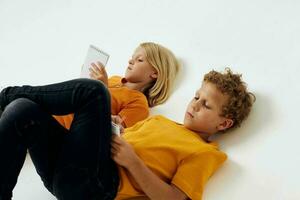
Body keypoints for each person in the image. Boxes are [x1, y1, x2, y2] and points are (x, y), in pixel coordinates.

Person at [0, 68, 255, 200]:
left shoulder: (204, 152)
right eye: (196, 97)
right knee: (21, 111)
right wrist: (114, 128)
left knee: (95, 92)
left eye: (206, 105)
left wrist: (133, 162)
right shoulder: (159, 123)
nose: (195, 105)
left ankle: (4, 94)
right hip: (67, 172)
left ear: (224, 124)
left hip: (98, 187)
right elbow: (121, 140)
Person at [53, 42, 180, 129]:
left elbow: (112, 129)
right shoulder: (114, 79)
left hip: (60, 126)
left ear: (155, 73)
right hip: (54, 108)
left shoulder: (139, 103)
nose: (130, 61)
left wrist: (102, 91)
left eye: (139, 60)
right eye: (132, 57)